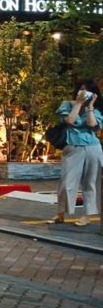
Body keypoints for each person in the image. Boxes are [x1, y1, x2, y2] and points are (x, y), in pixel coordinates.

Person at [50, 80, 102, 227]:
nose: (84, 93)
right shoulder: (67, 104)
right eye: (81, 89)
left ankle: (87, 216)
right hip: (73, 147)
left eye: (88, 91)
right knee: (66, 182)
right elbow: (70, 120)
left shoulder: (96, 109)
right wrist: (78, 103)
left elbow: (92, 125)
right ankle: (61, 213)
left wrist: (90, 108)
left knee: (91, 182)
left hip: (93, 148)